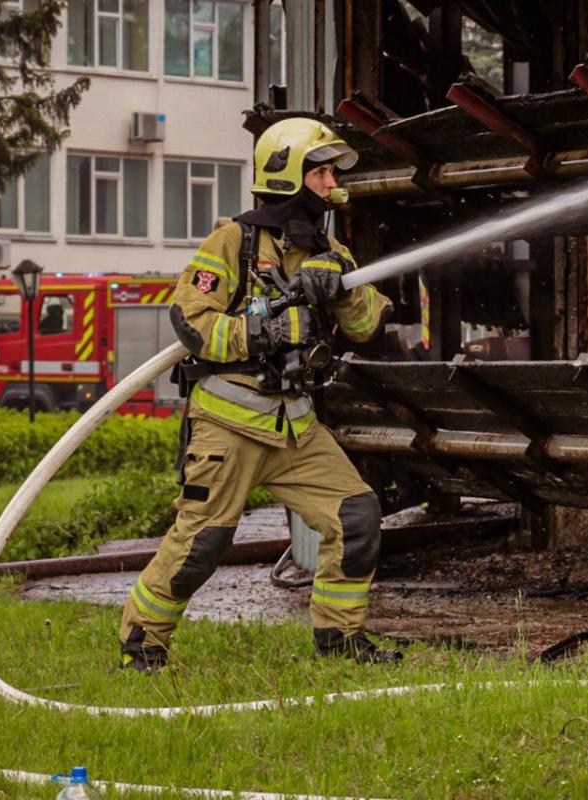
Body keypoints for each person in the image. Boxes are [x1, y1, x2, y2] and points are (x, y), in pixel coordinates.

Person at [118, 118, 397, 672]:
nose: (330, 182)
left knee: (357, 516)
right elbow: (191, 322)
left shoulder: (328, 247)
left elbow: (369, 325)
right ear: (287, 174)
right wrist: (267, 331)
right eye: (319, 171)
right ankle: (142, 642)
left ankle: (339, 641)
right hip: (229, 424)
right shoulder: (232, 241)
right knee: (202, 544)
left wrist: (339, 279)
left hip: (295, 425)